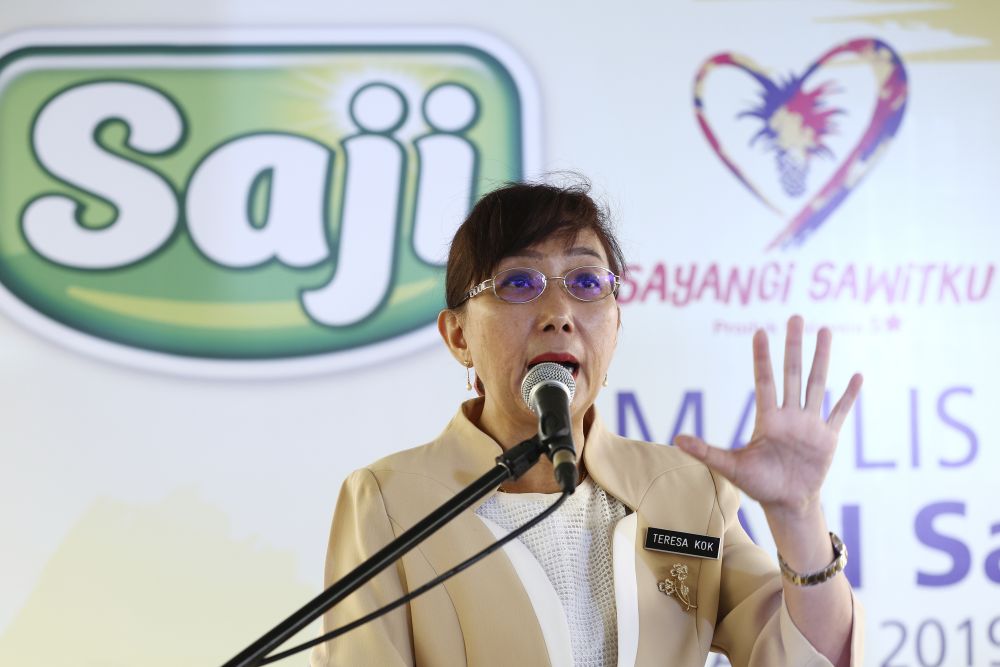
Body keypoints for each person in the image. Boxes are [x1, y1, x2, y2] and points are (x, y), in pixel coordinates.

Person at [310, 180, 863, 667]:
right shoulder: (391, 501)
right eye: (519, 283)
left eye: (586, 282)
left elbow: (808, 656)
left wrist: (799, 517)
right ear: (458, 336)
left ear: (616, 325)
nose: (559, 313)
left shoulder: (686, 492)